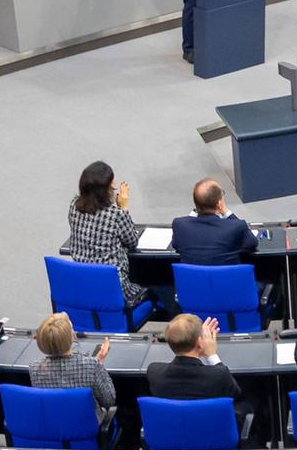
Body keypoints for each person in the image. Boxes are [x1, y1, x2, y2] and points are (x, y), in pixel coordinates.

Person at [64, 161, 148, 316]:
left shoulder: (74, 206)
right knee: (154, 292)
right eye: (112, 182)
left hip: (85, 284)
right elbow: (132, 241)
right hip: (114, 287)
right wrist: (123, 208)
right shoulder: (115, 214)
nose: (114, 185)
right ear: (105, 189)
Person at [31, 311, 118, 431]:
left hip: (54, 429)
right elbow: (109, 400)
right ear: (71, 338)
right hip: (87, 430)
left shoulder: (35, 369)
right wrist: (100, 363)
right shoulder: (91, 365)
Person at [149, 313, 239, 402]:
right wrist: (211, 355)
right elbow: (236, 395)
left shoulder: (154, 372)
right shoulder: (219, 375)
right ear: (200, 342)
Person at [172, 176, 257, 265]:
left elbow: (176, 245)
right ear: (219, 204)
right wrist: (226, 212)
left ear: (195, 202)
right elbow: (252, 243)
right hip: (226, 279)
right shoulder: (236, 227)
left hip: (192, 279)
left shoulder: (180, 225)